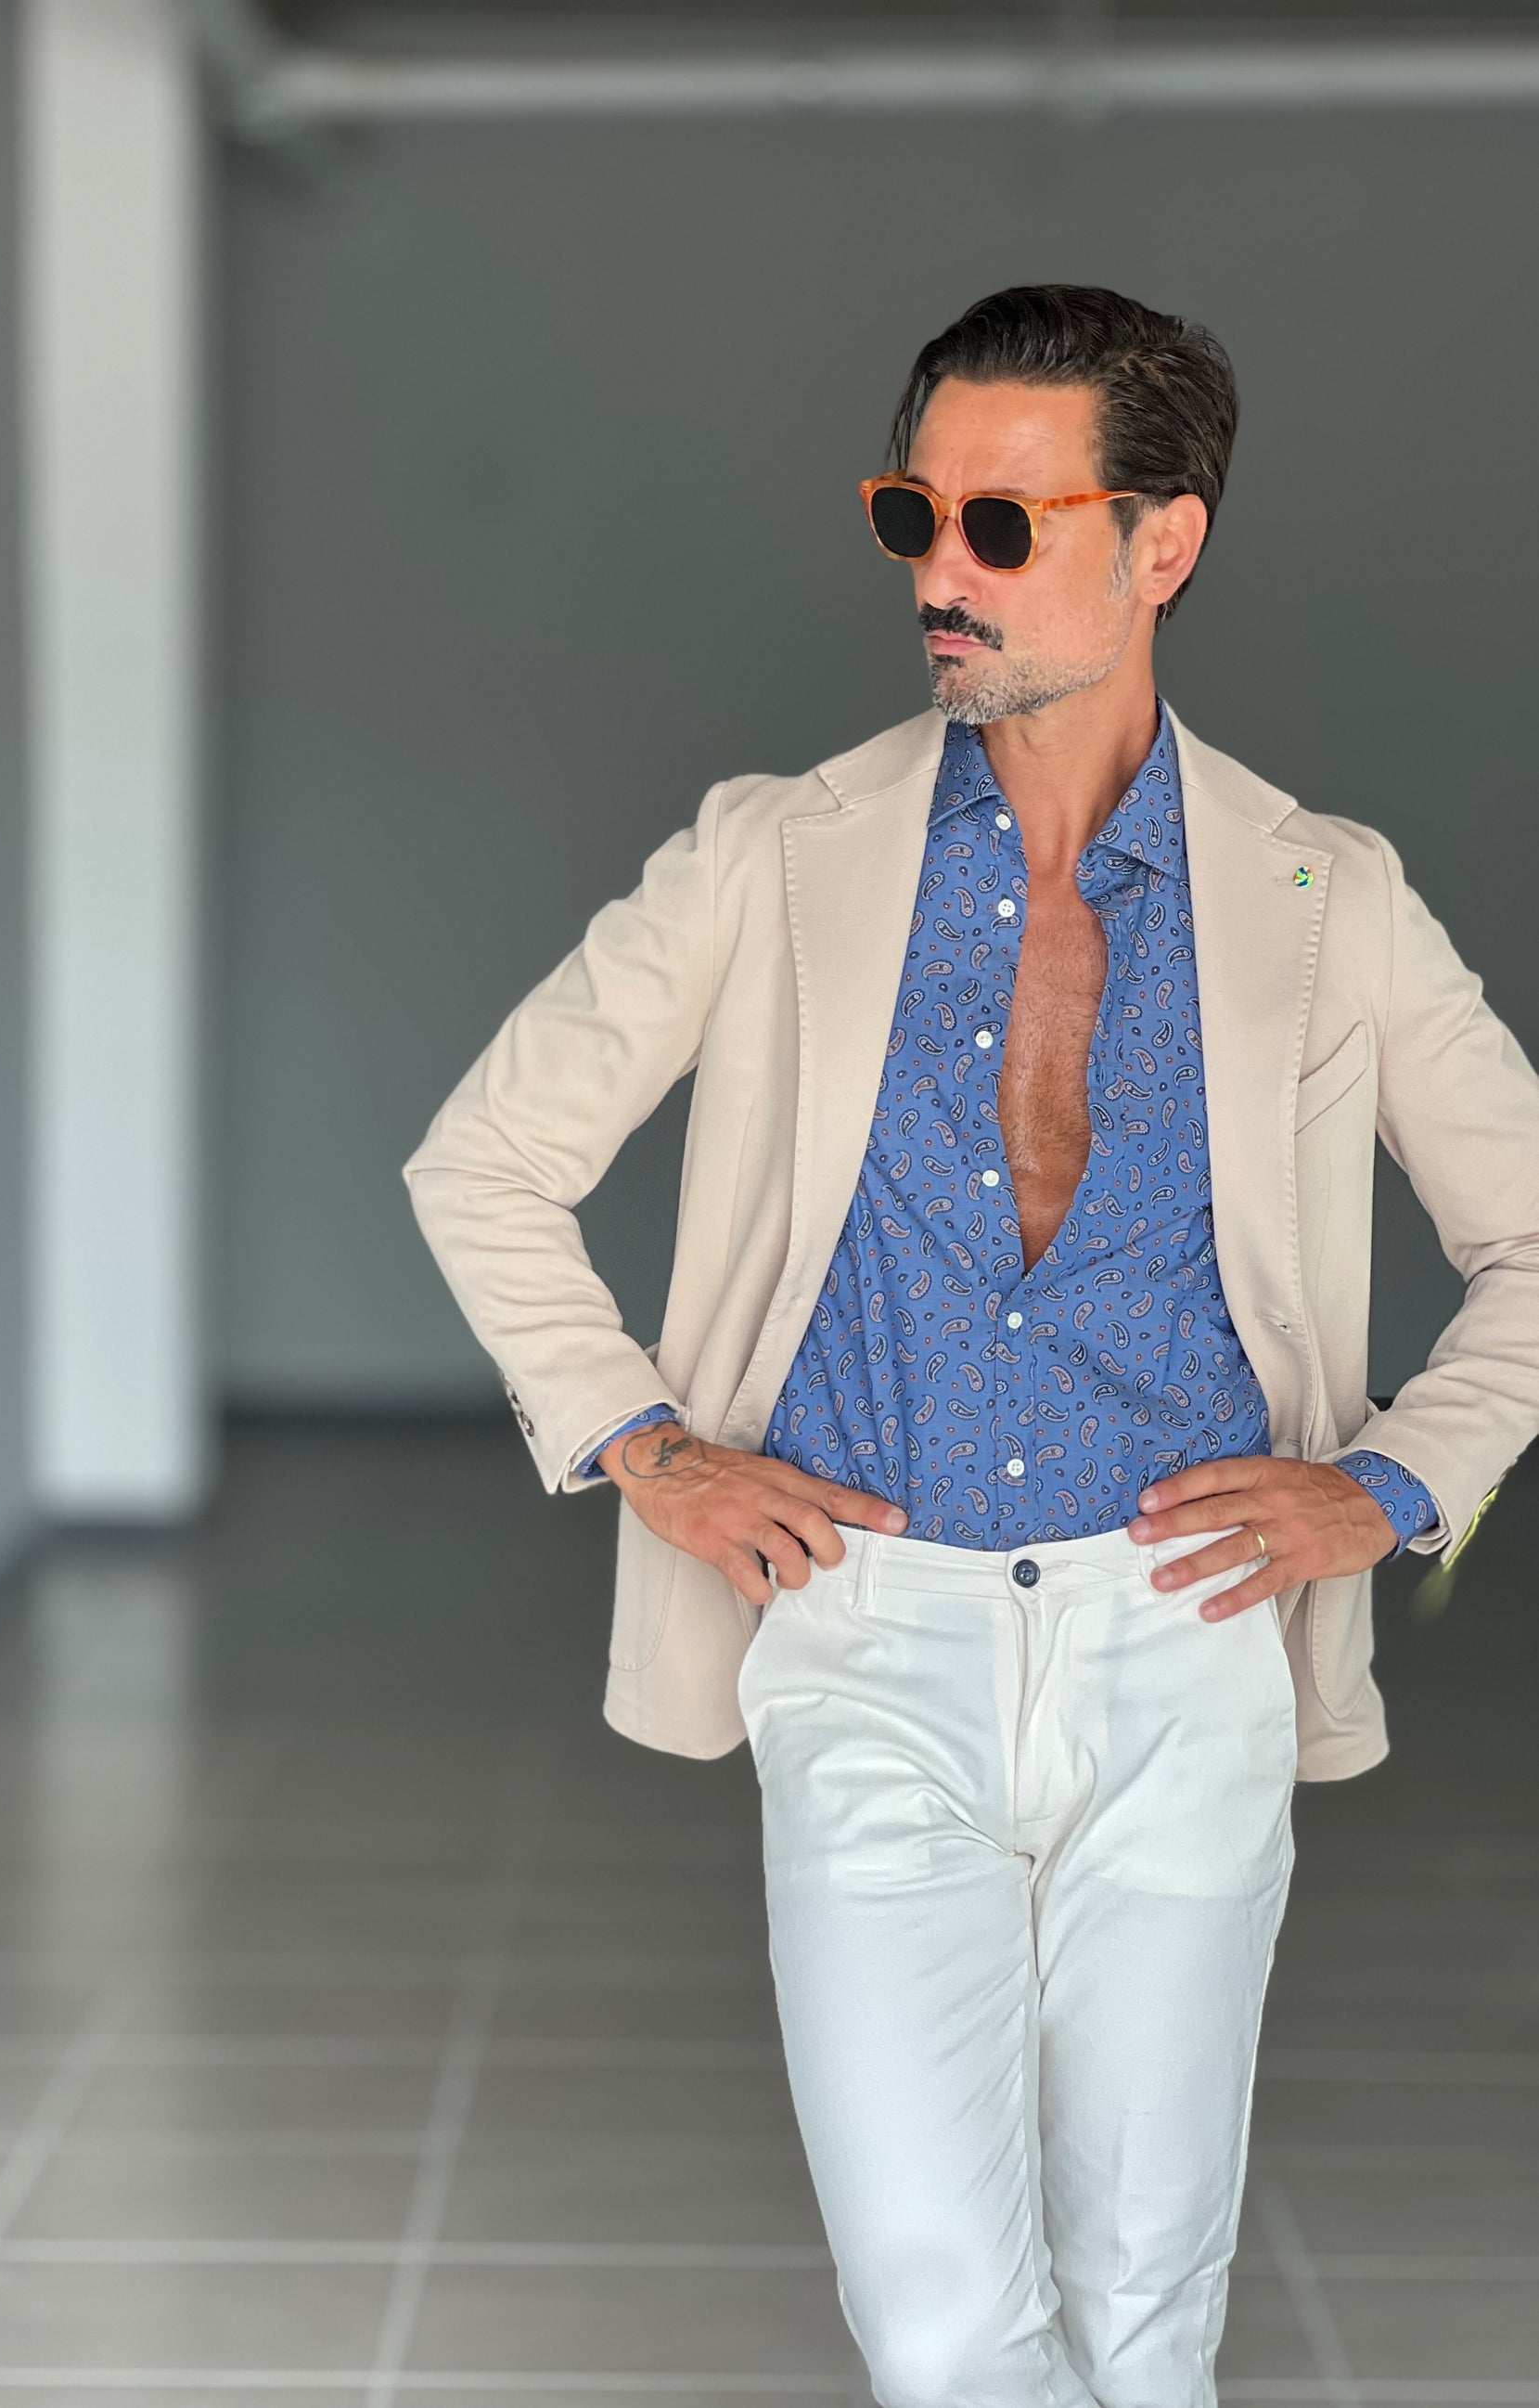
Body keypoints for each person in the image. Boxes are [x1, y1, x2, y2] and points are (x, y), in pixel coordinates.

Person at [402, 284, 1539, 2407]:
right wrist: (649, 1445)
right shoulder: (773, 855)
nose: (940, 567)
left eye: (1003, 524)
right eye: (909, 512)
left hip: (1181, 1637)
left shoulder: (1325, 893)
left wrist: (1387, 1484)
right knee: (940, 2319)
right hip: (865, 1628)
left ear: (1163, 542)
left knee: (1145, 2315)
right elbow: (483, 1158)